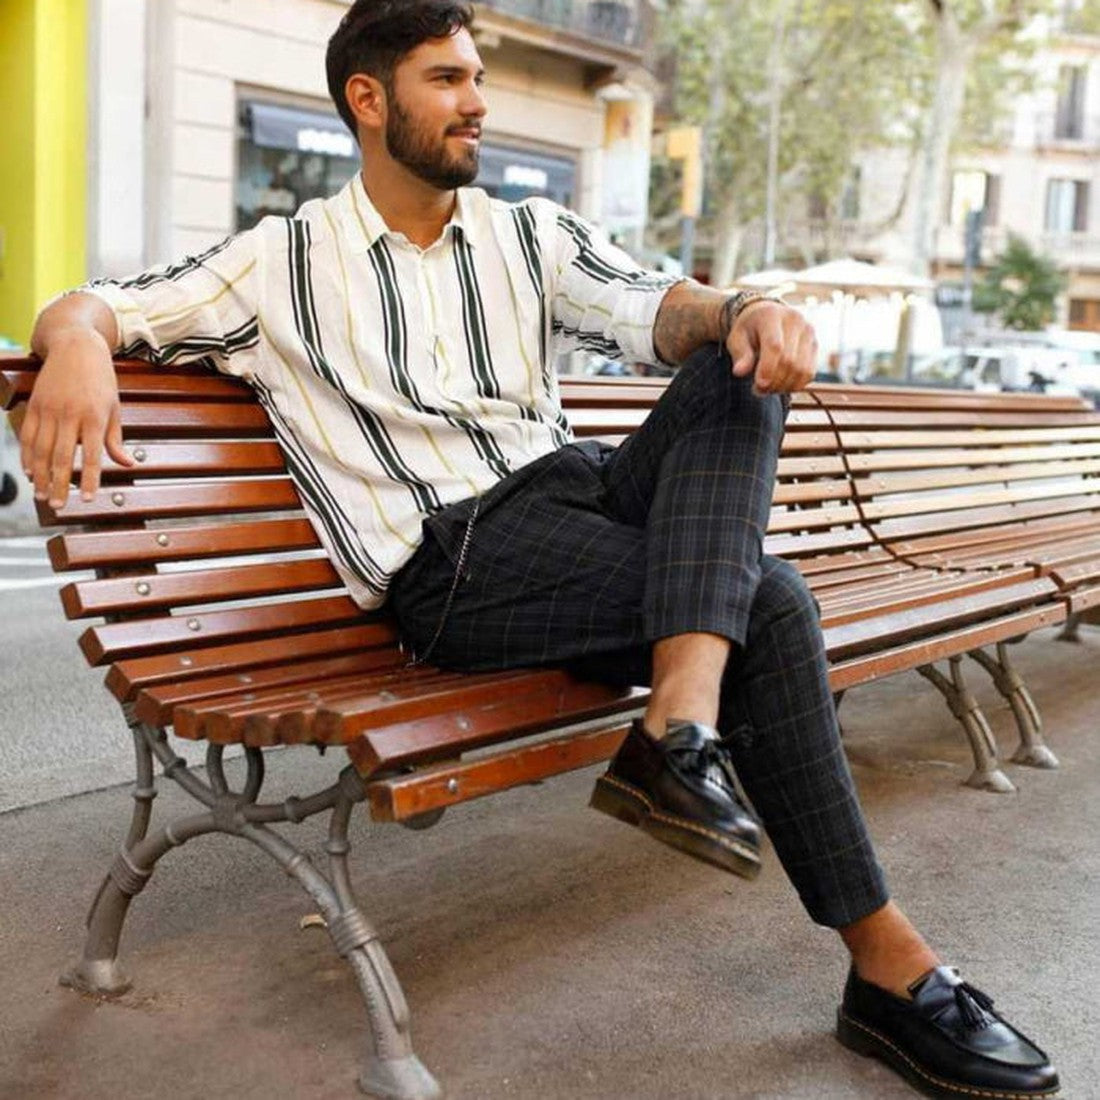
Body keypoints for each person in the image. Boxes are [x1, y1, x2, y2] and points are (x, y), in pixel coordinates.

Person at [21, 3, 1058, 1096]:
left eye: (477, 77)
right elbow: (97, 306)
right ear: (368, 100)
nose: (477, 102)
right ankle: (886, 964)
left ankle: (677, 729)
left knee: (738, 358)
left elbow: (658, 306)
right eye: (446, 79)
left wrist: (747, 307)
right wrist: (78, 342)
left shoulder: (530, 236)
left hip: (582, 498)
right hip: (455, 562)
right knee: (770, 600)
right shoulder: (278, 262)